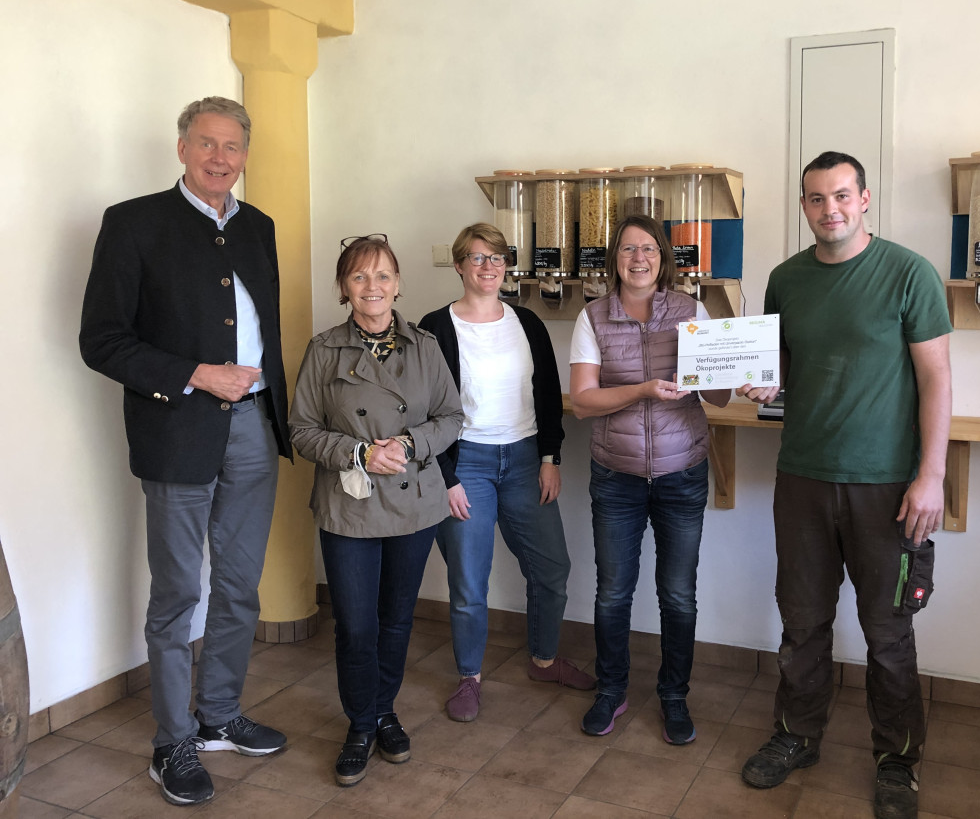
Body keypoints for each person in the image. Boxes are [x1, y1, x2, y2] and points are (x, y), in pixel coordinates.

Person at [79, 96, 290, 806]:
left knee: (239, 586)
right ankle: (171, 744)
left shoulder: (258, 227)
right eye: (206, 143)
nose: (219, 158)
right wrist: (195, 373)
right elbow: (101, 340)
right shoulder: (133, 223)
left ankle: (219, 717)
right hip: (178, 429)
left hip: (255, 428)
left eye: (232, 147)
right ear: (182, 148)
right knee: (177, 595)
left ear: (244, 156)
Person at [738, 152, 952, 819]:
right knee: (802, 624)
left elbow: (936, 378)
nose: (828, 209)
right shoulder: (784, 281)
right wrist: (764, 381)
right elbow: (782, 369)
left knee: (888, 635)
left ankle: (897, 760)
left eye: (840, 196)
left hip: (887, 485)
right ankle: (798, 735)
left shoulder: (908, 273)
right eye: (814, 199)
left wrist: (931, 475)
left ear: (863, 200)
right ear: (803, 206)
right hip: (802, 477)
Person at [290, 235, 463, 786]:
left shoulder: (426, 345)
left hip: (414, 501)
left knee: (396, 620)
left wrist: (407, 446)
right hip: (351, 503)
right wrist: (361, 452)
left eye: (383, 275)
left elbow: (451, 416)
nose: (373, 287)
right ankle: (360, 724)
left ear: (398, 283)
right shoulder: (324, 350)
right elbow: (301, 429)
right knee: (356, 625)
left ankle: (384, 711)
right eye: (360, 277)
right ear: (344, 287)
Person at [419, 223, 596, 722]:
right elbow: (422, 409)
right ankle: (469, 678)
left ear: (507, 266)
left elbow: (547, 395)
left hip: (523, 460)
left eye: (497, 258)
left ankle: (543, 659)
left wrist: (549, 458)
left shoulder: (527, 323)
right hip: (466, 463)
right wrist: (446, 477)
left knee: (552, 567)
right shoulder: (433, 328)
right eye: (477, 258)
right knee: (469, 581)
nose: (488, 267)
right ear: (458, 266)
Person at [569, 215, 732, 746]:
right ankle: (611, 690)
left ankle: (673, 697)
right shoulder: (592, 317)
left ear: (663, 257)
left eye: (648, 250)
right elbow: (582, 402)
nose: (638, 259)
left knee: (678, 595)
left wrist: (736, 376)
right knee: (613, 593)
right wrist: (642, 390)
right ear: (613, 258)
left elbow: (720, 397)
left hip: (681, 474)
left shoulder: (692, 312)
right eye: (627, 250)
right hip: (615, 476)